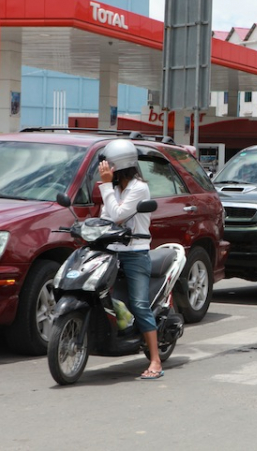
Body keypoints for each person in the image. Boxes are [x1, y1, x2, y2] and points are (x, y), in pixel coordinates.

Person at [98, 139, 164, 380]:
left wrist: (105, 186)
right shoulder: (114, 188)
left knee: (139, 304)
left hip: (135, 252)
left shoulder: (138, 188)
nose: (104, 169)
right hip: (112, 250)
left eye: (108, 165)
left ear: (119, 165)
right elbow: (105, 217)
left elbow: (116, 215)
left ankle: (155, 360)